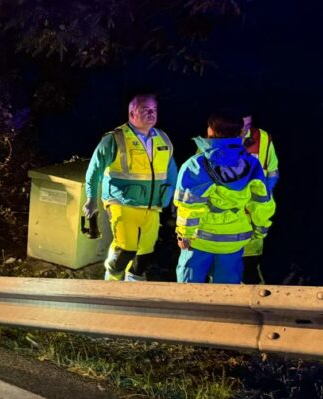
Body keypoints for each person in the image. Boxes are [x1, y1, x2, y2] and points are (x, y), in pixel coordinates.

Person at [84, 94, 177, 281]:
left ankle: (133, 289)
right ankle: (110, 285)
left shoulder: (163, 139)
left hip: (152, 206)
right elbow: (94, 171)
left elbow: (171, 171)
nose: (152, 114)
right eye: (146, 110)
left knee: (145, 253)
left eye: (154, 110)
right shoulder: (115, 139)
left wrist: (173, 199)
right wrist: (91, 198)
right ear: (132, 113)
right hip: (122, 202)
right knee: (125, 249)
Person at [174, 111, 275, 283]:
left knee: (188, 293)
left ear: (211, 131)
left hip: (199, 240)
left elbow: (189, 206)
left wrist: (184, 235)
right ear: (239, 133)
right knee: (227, 294)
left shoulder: (195, 164)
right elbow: (262, 202)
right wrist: (260, 230)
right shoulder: (252, 164)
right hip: (234, 240)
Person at [239, 112, 279, 283]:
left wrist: (264, 199)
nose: (244, 130)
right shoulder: (216, 137)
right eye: (240, 126)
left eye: (248, 126)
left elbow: (272, 172)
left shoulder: (263, 138)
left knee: (250, 267)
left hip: (253, 216)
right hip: (222, 219)